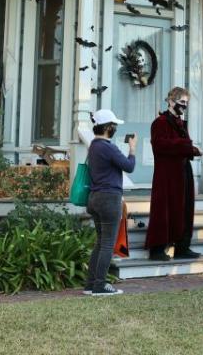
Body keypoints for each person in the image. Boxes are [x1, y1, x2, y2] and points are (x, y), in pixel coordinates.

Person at [83, 109, 136, 296]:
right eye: (113, 125)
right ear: (107, 127)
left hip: (94, 198)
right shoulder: (108, 147)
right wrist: (132, 149)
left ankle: (91, 284)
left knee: (100, 243)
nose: (115, 128)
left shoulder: (93, 146)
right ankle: (100, 285)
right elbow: (129, 166)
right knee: (107, 244)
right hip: (109, 199)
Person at [145, 87, 201, 261]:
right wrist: (186, 146)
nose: (184, 106)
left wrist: (190, 149)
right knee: (164, 209)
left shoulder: (180, 123)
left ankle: (182, 247)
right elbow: (160, 145)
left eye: (186, 103)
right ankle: (157, 249)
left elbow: (181, 145)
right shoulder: (160, 122)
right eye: (181, 102)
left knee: (184, 208)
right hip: (166, 174)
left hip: (182, 171)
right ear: (171, 101)